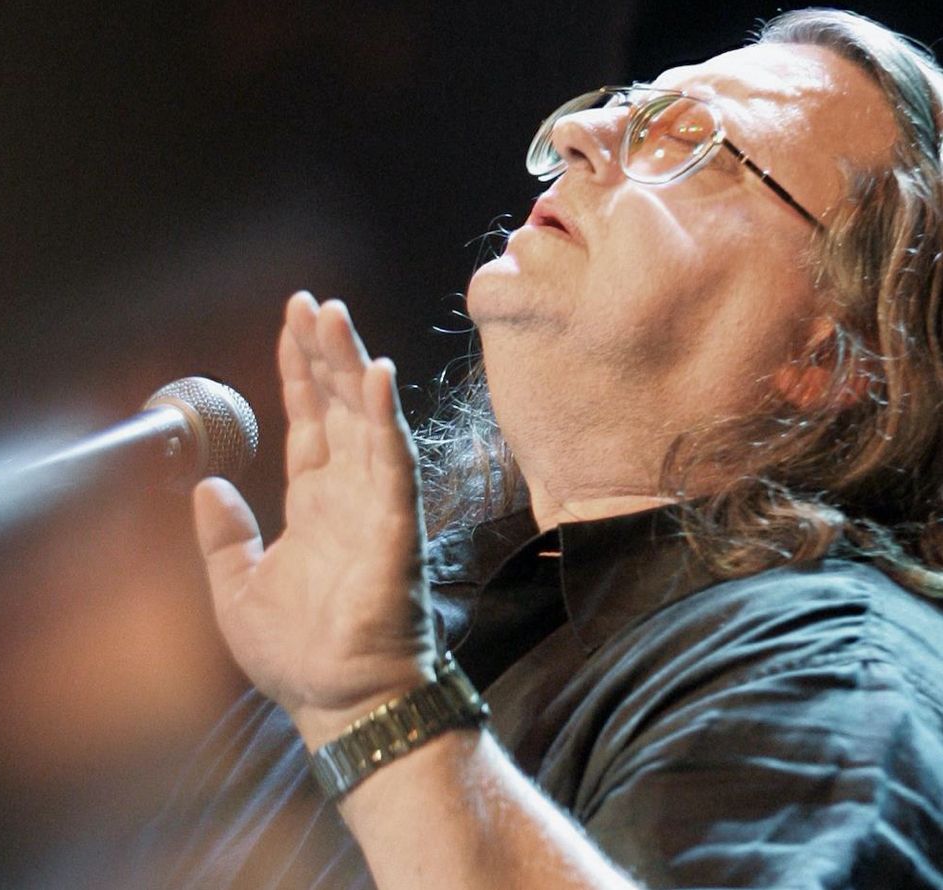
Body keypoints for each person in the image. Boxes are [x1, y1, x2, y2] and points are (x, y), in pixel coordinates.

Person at [140, 8, 943, 889]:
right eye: (625, 106)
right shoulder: (401, 614)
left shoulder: (828, 674)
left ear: (831, 357)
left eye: (693, 142)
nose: (576, 134)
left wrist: (377, 707)